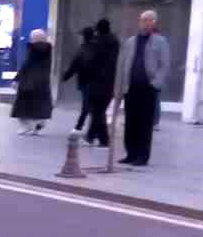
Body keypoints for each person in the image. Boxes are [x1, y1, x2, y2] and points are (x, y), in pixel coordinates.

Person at [114, 9, 169, 166]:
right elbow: (122, 64)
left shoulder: (160, 41)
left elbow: (164, 65)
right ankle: (130, 154)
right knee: (131, 122)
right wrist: (119, 87)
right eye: (143, 20)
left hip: (148, 89)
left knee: (144, 124)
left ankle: (142, 156)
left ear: (154, 23)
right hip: (130, 88)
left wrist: (155, 84)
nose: (145, 23)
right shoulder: (131, 42)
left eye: (149, 20)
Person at [82, 19, 119, 148]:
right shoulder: (115, 42)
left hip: (96, 81)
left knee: (97, 110)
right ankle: (95, 137)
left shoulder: (96, 43)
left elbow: (89, 61)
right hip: (110, 81)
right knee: (100, 110)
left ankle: (99, 138)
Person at [10, 29, 54, 135]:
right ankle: (39, 124)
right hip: (43, 81)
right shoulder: (48, 49)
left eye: (31, 37)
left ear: (34, 38)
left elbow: (27, 64)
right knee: (40, 104)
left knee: (21, 106)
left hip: (29, 80)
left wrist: (16, 79)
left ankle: (26, 126)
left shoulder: (33, 49)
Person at [60, 26, 94, 131]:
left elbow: (75, 65)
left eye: (81, 36)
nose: (79, 38)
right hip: (94, 81)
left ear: (84, 36)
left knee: (87, 106)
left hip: (87, 81)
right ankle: (91, 130)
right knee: (91, 107)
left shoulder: (84, 49)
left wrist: (65, 77)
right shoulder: (95, 47)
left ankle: (80, 128)